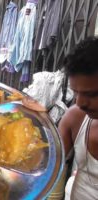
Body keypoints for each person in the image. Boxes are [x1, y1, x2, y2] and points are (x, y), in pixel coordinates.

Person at [58, 37, 98, 199]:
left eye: (92, 94)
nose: (80, 102)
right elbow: (44, 166)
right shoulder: (75, 118)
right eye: (75, 92)